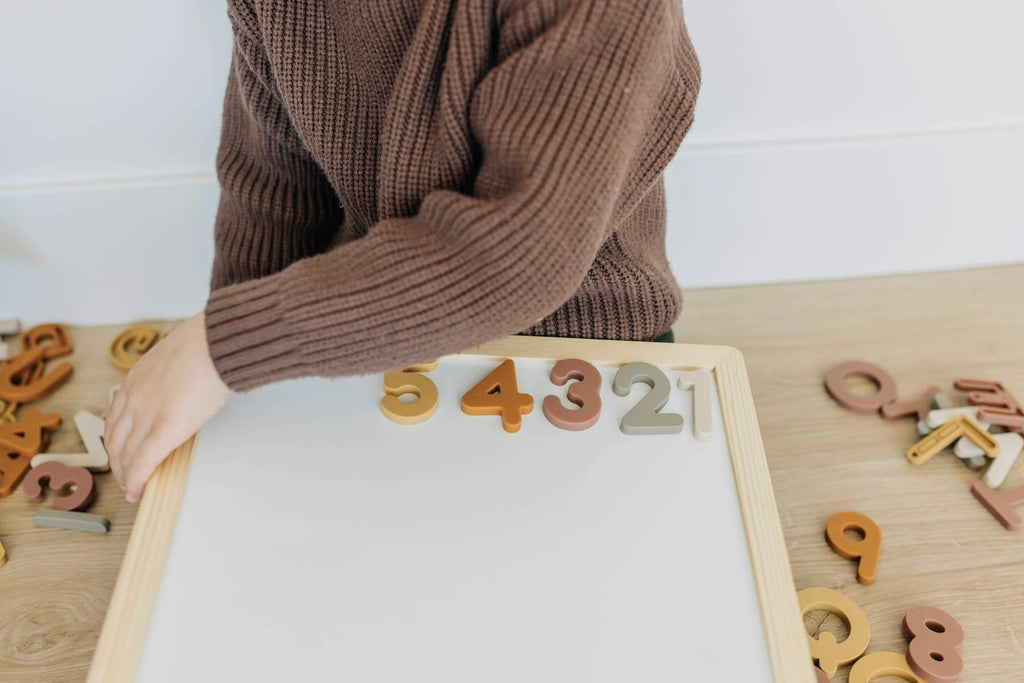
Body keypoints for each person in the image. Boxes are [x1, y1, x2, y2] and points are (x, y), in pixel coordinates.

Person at [104, 0, 701, 503]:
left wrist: (224, 345)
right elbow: (270, 188)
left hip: (576, 346)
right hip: (364, 337)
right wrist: (220, 385)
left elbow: (518, 253)